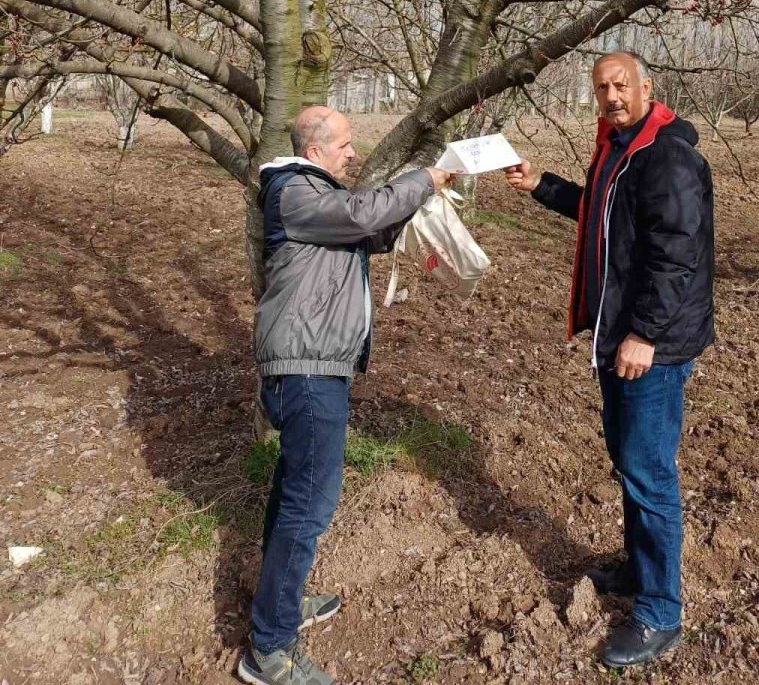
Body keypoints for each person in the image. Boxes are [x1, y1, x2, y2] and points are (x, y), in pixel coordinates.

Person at [505, 51, 714, 669]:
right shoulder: (619, 146)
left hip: (653, 345)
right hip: (618, 335)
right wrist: (540, 184)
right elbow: (600, 214)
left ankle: (659, 611)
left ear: (648, 86)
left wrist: (644, 334)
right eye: (603, 87)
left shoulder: (666, 155)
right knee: (627, 459)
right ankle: (636, 566)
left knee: (648, 470)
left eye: (622, 84)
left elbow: (676, 255)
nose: (613, 95)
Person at [239, 107, 454, 685]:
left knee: (295, 491)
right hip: (306, 369)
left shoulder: (314, 195)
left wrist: (421, 205)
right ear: (314, 148)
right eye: (345, 144)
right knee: (311, 501)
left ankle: (281, 605)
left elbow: (367, 229)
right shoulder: (293, 192)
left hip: (317, 365)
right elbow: (361, 212)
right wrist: (422, 179)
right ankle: (269, 650)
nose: (353, 153)